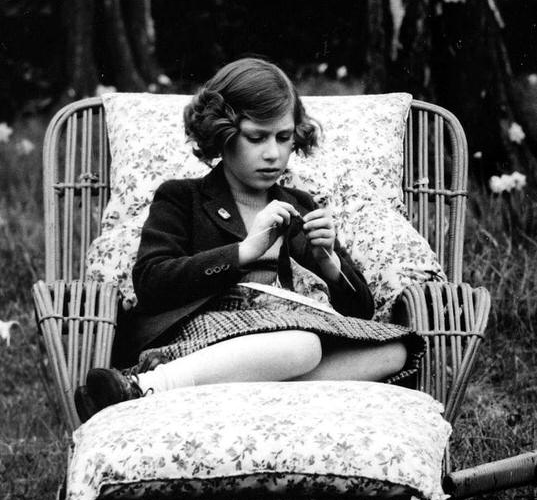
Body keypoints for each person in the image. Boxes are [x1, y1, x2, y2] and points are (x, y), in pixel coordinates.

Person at [75, 57, 421, 421]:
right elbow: (150, 283)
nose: (273, 153)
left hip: (282, 335)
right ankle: (146, 386)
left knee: (394, 351)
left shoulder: (298, 204)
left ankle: (240, 394)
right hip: (204, 334)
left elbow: (360, 313)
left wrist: (329, 265)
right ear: (222, 135)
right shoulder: (181, 197)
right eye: (256, 137)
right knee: (302, 347)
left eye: (284, 137)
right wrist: (242, 252)